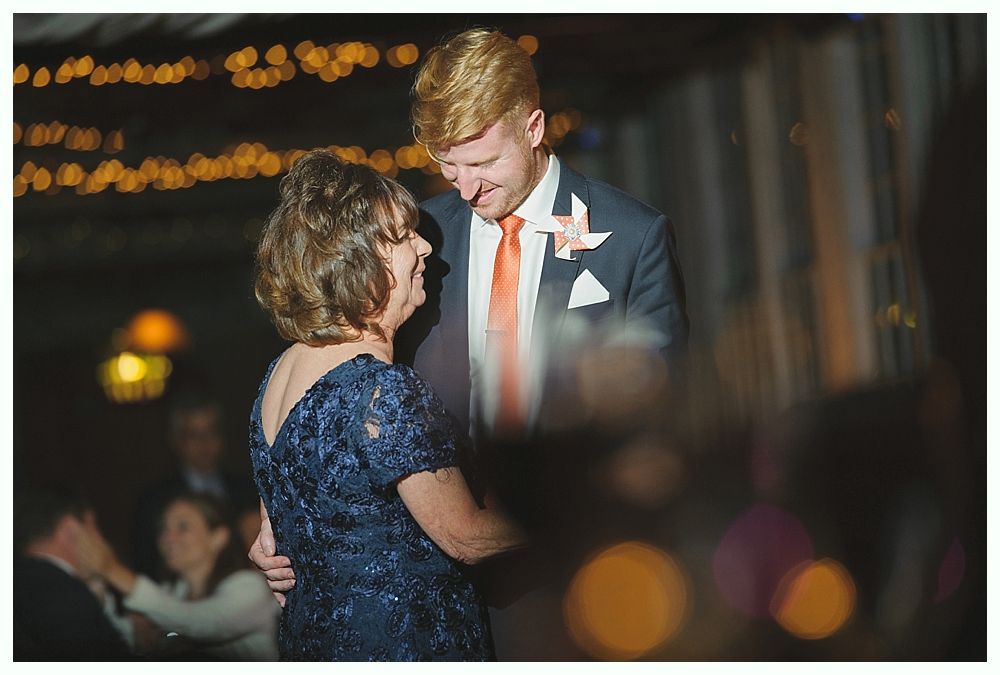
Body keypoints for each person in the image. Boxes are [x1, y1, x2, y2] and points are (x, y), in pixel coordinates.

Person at [251, 27, 689, 659]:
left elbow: (662, 426)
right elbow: (334, 369)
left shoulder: (632, 238)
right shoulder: (418, 236)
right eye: (447, 165)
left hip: (572, 582)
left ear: (534, 127)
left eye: (483, 163)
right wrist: (287, 513)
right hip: (427, 592)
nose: (465, 187)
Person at [248, 149, 526, 660]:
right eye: (402, 237)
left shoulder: (278, 374)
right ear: (356, 262)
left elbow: (281, 520)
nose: (425, 247)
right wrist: (574, 515)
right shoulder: (381, 391)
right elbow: (465, 537)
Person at [75, 492, 280, 660]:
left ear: (218, 537)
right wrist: (97, 584)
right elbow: (128, 638)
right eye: (163, 529)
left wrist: (111, 569)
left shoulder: (251, 587)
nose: (168, 537)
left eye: (183, 527)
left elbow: (199, 622)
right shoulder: (171, 591)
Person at [133, 392, 259, 578]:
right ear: (176, 440)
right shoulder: (156, 499)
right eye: (194, 435)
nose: (204, 443)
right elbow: (146, 564)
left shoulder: (247, 488)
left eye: (211, 432)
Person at [14, 486, 132, 661]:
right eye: (94, 527)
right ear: (71, 529)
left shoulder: (20, 583)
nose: (100, 540)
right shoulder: (66, 593)